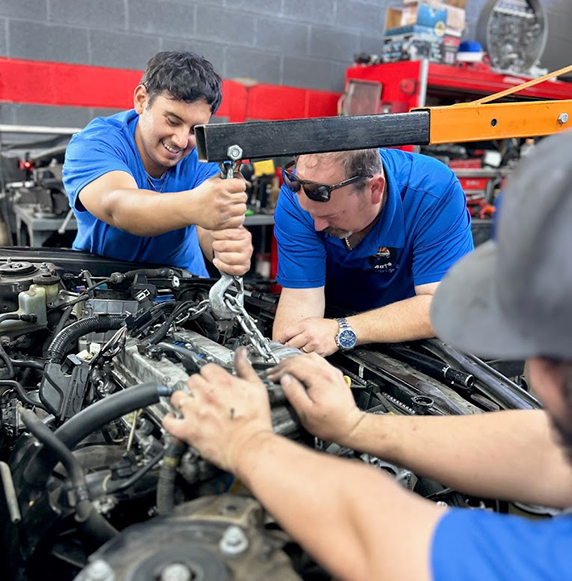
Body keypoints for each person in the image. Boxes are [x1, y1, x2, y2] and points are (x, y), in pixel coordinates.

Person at [163, 131, 572, 581]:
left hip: (405, 339)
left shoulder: (429, 190)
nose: (318, 226)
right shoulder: (304, 200)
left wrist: (247, 444)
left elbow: (383, 540)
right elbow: (545, 449)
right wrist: (354, 425)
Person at [63, 51, 252, 276]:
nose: (181, 141)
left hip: (183, 285)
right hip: (104, 283)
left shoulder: (202, 153)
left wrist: (228, 249)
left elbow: (209, 228)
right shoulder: (95, 143)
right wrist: (195, 205)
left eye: (195, 130)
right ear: (142, 100)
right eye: (172, 121)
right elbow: (118, 207)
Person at [272, 148, 474, 356]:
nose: (317, 226)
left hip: (414, 342)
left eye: (332, 215)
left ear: (375, 189)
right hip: (328, 330)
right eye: (310, 213)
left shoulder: (432, 190)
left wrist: (343, 330)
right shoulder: (299, 194)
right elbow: (300, 303)